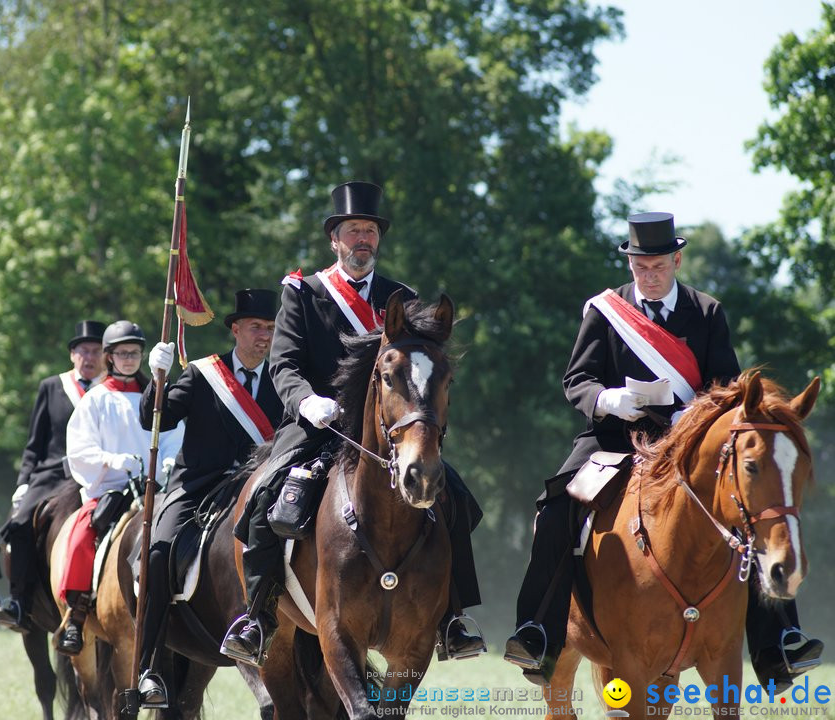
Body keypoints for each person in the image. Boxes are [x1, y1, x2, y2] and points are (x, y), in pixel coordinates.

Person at [504, 212, 823, 691]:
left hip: (688, 447)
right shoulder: (605, 311)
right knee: (556, 508)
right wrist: (608, 400)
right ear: (630, 264)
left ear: (676, 260)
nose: (648, 276)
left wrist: (690, 418)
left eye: (657, 266)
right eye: (640, 267)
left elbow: (729, 391)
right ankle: (538, 632)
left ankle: (780, 642)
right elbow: (577, 381)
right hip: (612, 441)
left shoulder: (708, 312)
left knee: (751, 510)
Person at [220, 181, 486, 666]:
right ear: (335, 240)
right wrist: (307, 402)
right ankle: (258, 617)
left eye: (369, 230)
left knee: (456, 499)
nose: (362, 239)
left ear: (377, 239)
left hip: (388, 432)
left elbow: (419, 368)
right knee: (264, 493)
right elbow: (284, 365)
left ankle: (452, 617)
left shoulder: (400, 299)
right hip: (317, 424)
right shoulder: (303, 291)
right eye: (352, 231)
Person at [135, 289, 284, 707]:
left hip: (261, 489)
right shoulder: (204, 374)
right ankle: (149, 666)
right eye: (256, 327)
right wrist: (157, 379)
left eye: (270, 329)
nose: (264, 336)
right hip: (199, 485)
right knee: (159, 552)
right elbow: (155, 417)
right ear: (235, 329)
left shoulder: (281, 379)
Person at [55, 321, 183, 658]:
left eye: (135, 353)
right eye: (122, 353)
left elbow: (173, 436)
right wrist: (114, 461)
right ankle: (77, 611)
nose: (129, 359)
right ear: (109, 357)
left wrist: (168, 462)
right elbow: (79, 450)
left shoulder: (157, 398)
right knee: (84, 532)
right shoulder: (96, 399)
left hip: (156, 487)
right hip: (112, 487)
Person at [0, 320, 107, 631]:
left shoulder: (112, 389)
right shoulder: (52, 386)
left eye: (96, 351)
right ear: (72, 354)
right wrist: (22, 484)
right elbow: (35, 443)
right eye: (83, 350)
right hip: (53, 474)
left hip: (99, 473)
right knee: (18, 524)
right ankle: (19, 601)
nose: (89, 357)